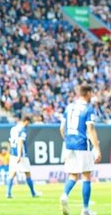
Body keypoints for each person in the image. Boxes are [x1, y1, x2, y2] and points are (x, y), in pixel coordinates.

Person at [59, 84, 101, 215]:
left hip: (69, 144)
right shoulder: (88, 109)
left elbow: (61, 128)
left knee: (73, 175)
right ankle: (85, 209)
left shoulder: (69, 107)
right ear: (88, 93)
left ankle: (64, 195)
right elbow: (90, 129)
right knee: (86, 176)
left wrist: (67, 141)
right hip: (83, 144)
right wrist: (97, 149)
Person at [6, 116, 39, 199]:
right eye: (28, 122)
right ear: (26, 121)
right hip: (21, 155)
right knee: (27, 173)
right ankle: (33, 193)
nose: (28, 124)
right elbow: (20, 142)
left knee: (12, 173)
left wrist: (14, 153)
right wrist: (19, 155)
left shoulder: (13, 129)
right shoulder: (23, 129)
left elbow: (11, 141)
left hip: (13, 154)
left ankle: (8, 193)